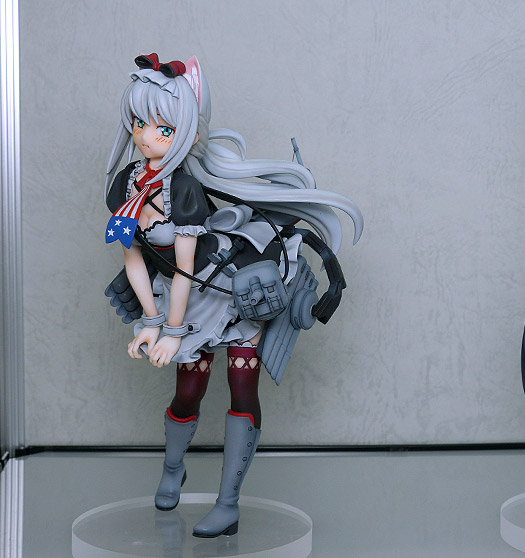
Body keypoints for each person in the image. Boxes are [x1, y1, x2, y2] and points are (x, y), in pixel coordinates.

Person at [104, 53, 363, 537]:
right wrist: (150, 323)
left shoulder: (183, 189)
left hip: (223, 291)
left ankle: (228, 504)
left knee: (242, 385)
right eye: (138, 122)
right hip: (178, 295)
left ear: (185, 133)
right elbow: (134, 258)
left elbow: (186, 267)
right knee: (188, 389)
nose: (144, 136)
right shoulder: (126, 184)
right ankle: (172, 470)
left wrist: (171, 331)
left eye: (162, 128)